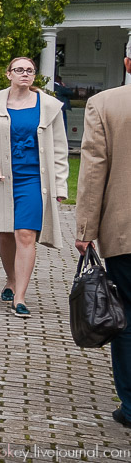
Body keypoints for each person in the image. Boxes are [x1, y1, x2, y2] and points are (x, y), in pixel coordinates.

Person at [0, 56, 70, 319]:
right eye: (19, 70)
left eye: (30, 70)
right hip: (2, 177)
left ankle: (20, 297)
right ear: (9, 74)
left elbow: (60, 149)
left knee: (25, 234)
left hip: (34, 179)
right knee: (5, 233)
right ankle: (11, 279)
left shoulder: (49, 106)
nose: (25, 74)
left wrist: (60, 186)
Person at [74, 46, 131, 429]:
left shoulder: (105, 104)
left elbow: (94, 167)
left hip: (125, 232)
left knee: (127, 316)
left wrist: (85, 229)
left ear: (127, 63)